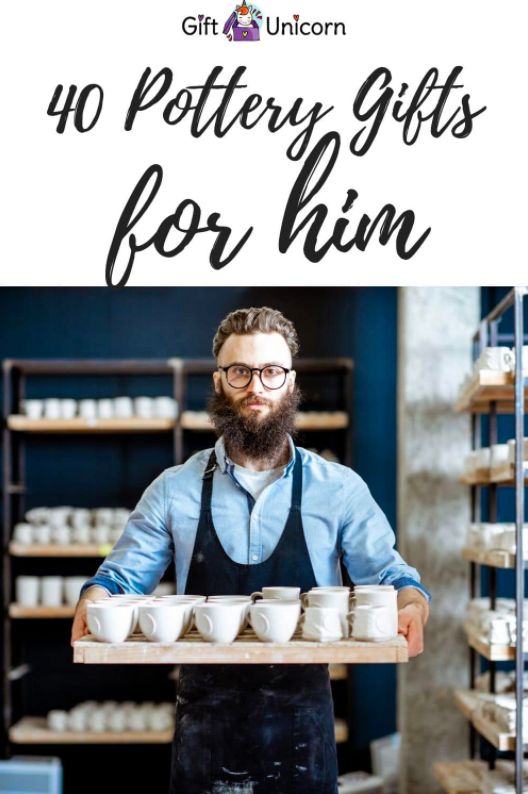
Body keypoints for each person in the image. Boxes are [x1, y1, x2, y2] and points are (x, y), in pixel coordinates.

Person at [71, 306, 430, 794]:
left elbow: (388, 574)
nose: (256, 387)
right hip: (205, 731)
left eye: (270, 372)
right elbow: (121, 581)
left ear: (290, 382)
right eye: (240, 372)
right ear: (220, 382)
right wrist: (94, 596)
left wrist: (412, 601)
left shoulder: (338, 488)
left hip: (304, 732)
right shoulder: (173, 490)